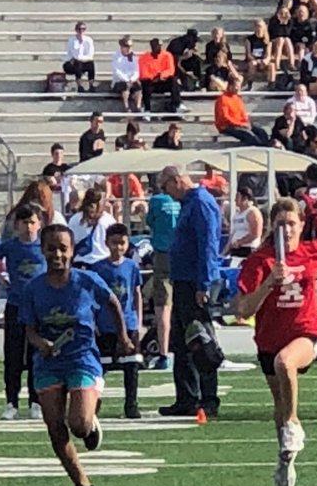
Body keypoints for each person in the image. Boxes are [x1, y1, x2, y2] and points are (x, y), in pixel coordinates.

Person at [236, 198, 317, 486]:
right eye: (280, 225)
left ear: (301, 226)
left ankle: (294, 422)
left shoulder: (310, 251)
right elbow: (244, 310)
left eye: (292, 224)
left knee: (285, 362)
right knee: (278, 400)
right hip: (268, 338)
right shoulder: (260, 261)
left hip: (305, 333)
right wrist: (268, 285)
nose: (286, 230)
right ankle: (286, 459)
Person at [21, 224, 131, 486]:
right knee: (56, 428)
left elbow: (113, 302)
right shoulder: (33, 288)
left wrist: (122, 336)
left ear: (72, 251)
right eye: (51, 248)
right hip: (48, 364)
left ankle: (91, 418)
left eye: (63, 248)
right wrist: (41, 343)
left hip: (81, 357)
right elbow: (29, 329)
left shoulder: (87, 280)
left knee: (79, 425)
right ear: (43, 250)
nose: (57, 254)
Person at [157, 164, 223, 418]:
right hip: (183, 281)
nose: (167, 193)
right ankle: (187, 397)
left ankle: (208, 398)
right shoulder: (190, 203)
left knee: (201, 341)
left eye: (166, 187)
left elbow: (208, 245)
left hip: (194, 282)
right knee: (182, 344)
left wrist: (203, 284)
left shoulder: (201, 203)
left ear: (175, 181)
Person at [0, 203, 45, 420]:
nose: (28, 227)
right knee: (13, 356)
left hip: (39, 309)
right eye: (24, 222)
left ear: (39, 224)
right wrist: (2, 281)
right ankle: (11, 402)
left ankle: (36, 401)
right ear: (17, 225)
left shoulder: (44, 246)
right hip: (16, 306)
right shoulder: (10, 246)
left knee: (37, 355)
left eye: (32, 222)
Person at [92, 223, 144, 420]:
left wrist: (138, 323)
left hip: (129, 324)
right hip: (105, 325)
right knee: (101, 367)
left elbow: (136, 293)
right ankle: (94, 403)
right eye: (114, 243)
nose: (118, 247)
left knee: (131, 366)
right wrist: (94, 322)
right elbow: (94, 298)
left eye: (122, 243)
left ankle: (131, 405)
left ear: (128, 244)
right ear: (106, 243)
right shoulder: (98, 268)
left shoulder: (132, 266)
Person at [145, 178, 181, 370]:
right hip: (181, 254)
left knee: (162, 307)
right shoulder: (181, 200)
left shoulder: (157, 201)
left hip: (162, 254)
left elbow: (150, 221)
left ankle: (164, 353)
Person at [213, 77, 269, 146]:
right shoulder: (223, 99)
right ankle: (259, 148)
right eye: (236, 86)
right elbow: (225, 118)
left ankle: (266, 147)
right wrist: (240, 124)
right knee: (248, 135)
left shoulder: (237, 98)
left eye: (239, 87)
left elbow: (243, 114)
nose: (238, 89)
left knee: (261, 132)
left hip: (240, 124)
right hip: (227, 126)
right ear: (230, 86)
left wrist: (246, 123)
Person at [138, 38, 183, 116]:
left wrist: (161, 75)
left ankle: (177, 105)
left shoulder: (167, 55)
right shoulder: (143, 58)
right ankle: (147, 110)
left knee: (173, 80)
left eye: (160, 46)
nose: (158, 48)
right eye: (156, 46)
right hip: (152, 83)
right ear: (152, 47)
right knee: (145, 84)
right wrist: (154, 77)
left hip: (163, 81)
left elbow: (171, 70)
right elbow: (143, 73)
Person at [225, 187, 263, 259]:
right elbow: (232, 234)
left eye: (237, 197)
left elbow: (255, 234)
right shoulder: (236, 215)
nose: (235, 200)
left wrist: (240, 242)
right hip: (235, 249)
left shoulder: (252, 212)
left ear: (245, 198)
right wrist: (226, 251)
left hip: (248, 249)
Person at [110, 36, 143, 113]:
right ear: (121, 47)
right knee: (125, 86)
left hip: (131, 80)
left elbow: (136, 71)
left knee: (138, 85)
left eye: (130, 46)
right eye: (126, 46)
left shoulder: (134, 57)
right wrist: (127, 80)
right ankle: (126, 106)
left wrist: (132, 79)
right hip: (119, 81)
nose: (128, 48)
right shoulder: (116, 56)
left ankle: (138, 106)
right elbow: (117, 71)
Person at [63, 21, 95, 91]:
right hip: (70, 63)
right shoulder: (72, 40)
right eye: (79, 29)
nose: (81, 31)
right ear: (76, 30)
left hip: (81, 62)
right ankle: (79, 85)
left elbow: (91, 55)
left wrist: (83, 59)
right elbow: (76, 55)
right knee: (78, 63)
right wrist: (80, 42)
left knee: (91, 64)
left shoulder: (89, 40)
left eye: (83, 29)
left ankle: (91, 85)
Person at [167, 27, 203, 91]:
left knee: (196, 60)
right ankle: (184, 83)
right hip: (174, 63)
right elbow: (173, 59)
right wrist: (184, 57)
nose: (195, 43)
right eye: (194, 40)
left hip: (184, 61)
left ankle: (197, 81)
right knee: (177, 64)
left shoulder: (189, 44)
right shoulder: (176, 43)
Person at [243, 19, 275, 88]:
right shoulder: (249, 39)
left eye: (260, 26)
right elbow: (248, 54)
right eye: (257, 26)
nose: (258, 28)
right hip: (252, 60)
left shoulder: (268, 40)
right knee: (253, 64)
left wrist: (265, 61)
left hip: (263, 61)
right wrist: (255, 60)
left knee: (272, 65)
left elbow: (268, 55)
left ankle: (271, 85)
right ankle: (249, 84)